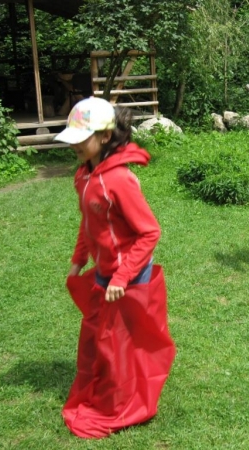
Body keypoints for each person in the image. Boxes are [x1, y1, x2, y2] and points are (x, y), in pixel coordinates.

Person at [54, 97, 176, 438]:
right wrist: (79, 260)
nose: (76, 145)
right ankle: (114, 385)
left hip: (129, 276)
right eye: (73, 138)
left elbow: (149, 232)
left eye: (83, 138)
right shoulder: (84, 175)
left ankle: (128, 399)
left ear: (105, 136)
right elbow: (89, 223)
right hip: (106, 273)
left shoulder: (119, 180)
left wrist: (122, 277)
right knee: (105, 340)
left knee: (122, 343)